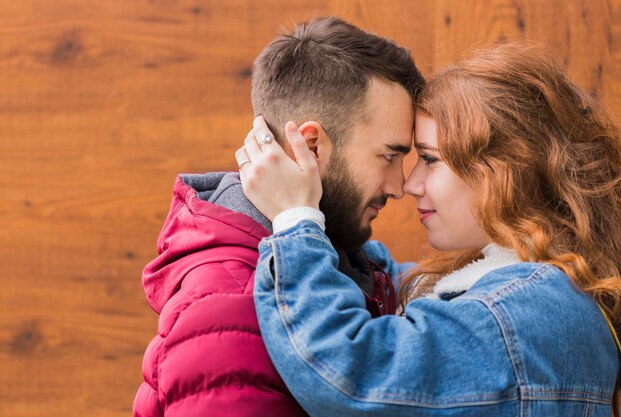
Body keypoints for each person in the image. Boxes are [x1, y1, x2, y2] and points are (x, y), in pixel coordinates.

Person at [237, 43, 621, 416]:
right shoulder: (529, 286)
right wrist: (328, 205)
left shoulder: (524, 314)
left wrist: (295, 220)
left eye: (429, 159)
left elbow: (355, 375)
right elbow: (390, 280)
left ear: (507, 169)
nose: (409, 184)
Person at [133, 16, 425, 417]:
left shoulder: (340, 259)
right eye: (389, 156)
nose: (399, 186)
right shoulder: (232, 306)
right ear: (311, 145)